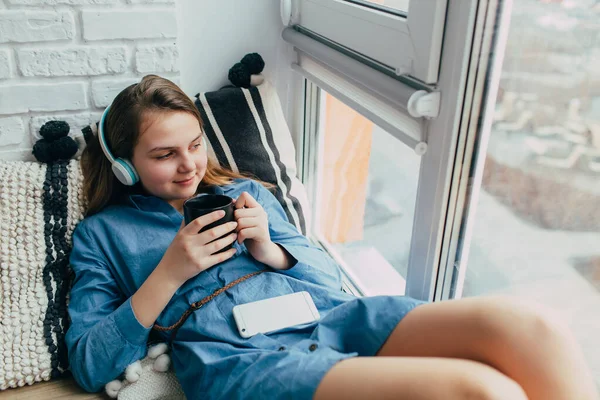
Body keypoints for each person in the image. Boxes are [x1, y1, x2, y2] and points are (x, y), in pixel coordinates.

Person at [66, 75, 598, 400]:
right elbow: (90, 363)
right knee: (482, 392)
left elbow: (329, 279)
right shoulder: (103, 235)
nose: (190, 166)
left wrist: (269, 248)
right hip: (241, 358)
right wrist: (170, 273)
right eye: (164, 155)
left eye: (196, 144)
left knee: (532, 329)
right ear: (126, 167)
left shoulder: (249, 190)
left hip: (332, 316)